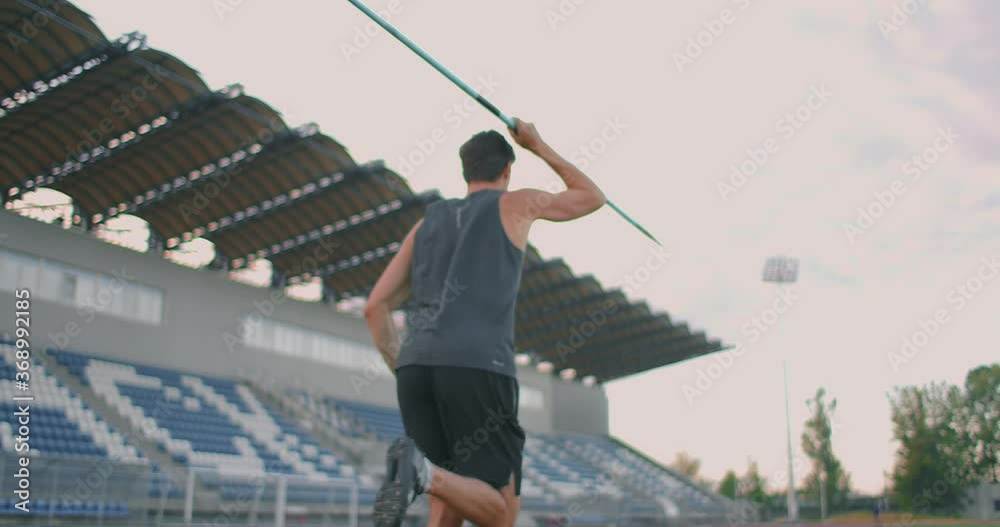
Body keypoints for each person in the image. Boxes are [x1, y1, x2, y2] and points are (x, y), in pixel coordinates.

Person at [363, 118, 607, 527]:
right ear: (507, 170)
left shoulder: (426, 224)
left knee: (445, 504)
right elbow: (591, 196)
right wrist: (538, 144)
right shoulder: (514, 203)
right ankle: (422, 471)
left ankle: (422, 472)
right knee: (499, 511)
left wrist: (403, 364)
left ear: (466, 171)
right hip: (477, 367)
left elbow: (375, 306)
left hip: (417, 369)